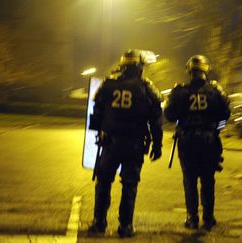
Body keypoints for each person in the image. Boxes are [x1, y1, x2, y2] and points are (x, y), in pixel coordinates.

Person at [87, 49, 163, 237]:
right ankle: (126, 226)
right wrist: (157, 145)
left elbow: (96, 112)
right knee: (129, 184)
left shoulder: (108, 84)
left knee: (104, 182)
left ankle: (99, 222)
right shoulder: (147, 88)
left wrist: (101, 132)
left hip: (110, 143)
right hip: (133, 144)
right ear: (139, 68)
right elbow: (156, 119)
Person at [164, 55, 230, 230]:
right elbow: (226, 114)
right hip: (209, 141)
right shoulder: (215, 90)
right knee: (208, 180)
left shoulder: (180, 90)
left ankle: (192, 218)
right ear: (206, 70)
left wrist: (181, 118)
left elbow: (169, 115)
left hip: (187, 141)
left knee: (190, 180)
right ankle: (208, 218)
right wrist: (216, 130)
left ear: (189, 71)